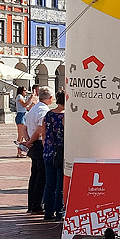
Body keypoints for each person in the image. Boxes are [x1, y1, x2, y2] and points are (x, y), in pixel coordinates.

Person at [23, 86, 54, 215]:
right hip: (39, 144)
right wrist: (30, 141)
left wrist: (28, 139)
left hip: (33, 143)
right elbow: (41, 128)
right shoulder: (43, 110)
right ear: (50, 98)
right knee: (41, 176)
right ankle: (37, 205)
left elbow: (24, 127)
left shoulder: (33, 108)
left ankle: (32, 204)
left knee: (34, 175)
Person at [42, 90, 66, 221]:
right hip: (61, 152)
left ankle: (48, 211)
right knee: (59, 184)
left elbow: (44, 133)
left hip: (49, 151)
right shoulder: (65, 116)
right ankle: (59, 211)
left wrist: (47, 147)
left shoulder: (49, 114)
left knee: (49, 183)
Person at [15, 85, 31, 157]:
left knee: (24, 134)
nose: (25, 92)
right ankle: (19, 152)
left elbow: (27, 107)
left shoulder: (22, 97)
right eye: (24, 90)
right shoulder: (19, 96)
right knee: (20, 135)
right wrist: (30, 98)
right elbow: (24, 104)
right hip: (20, 115)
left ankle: (22, 151)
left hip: (24, 114)